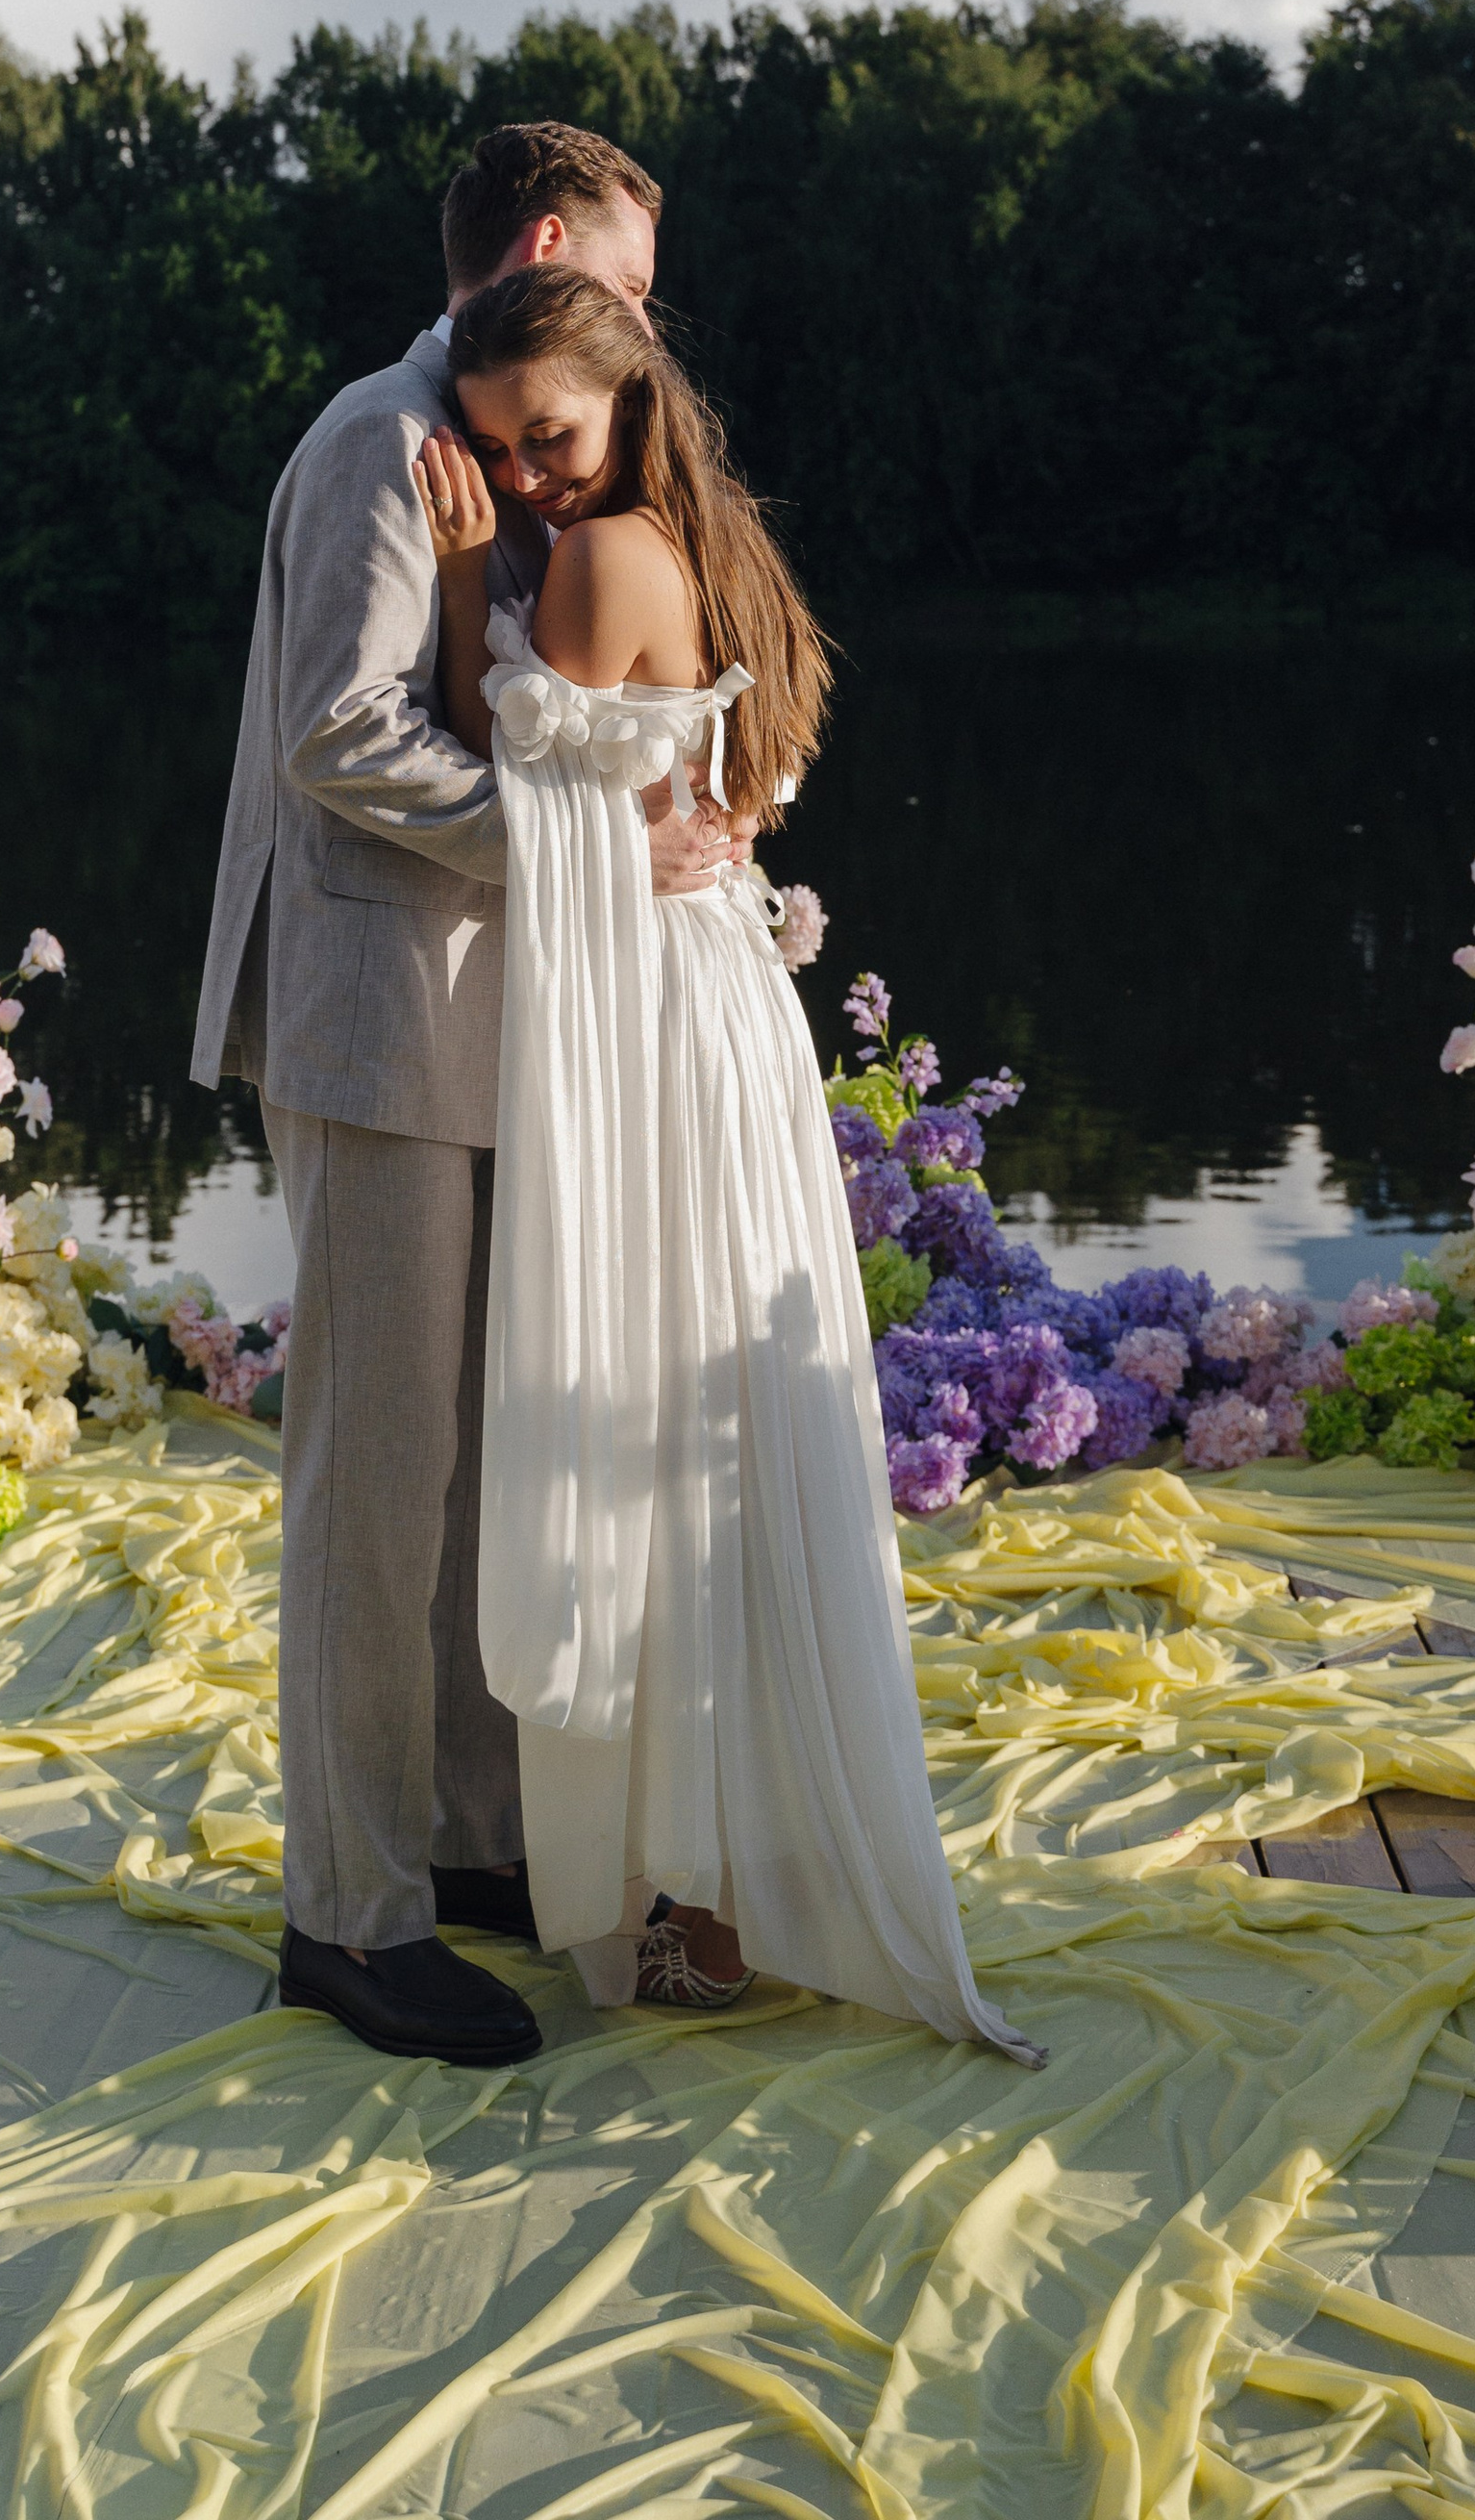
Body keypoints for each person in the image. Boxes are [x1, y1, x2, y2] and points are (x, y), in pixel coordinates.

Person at [415, 264, 1043, 2059]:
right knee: (693, 1423)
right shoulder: (682, 538)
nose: (523, 472)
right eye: (494, 451)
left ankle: (698, 1890)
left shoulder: (606, 558)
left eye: (546, 437)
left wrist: (469, 575)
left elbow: (487, 765)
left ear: (623, 401)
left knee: (674, 1424)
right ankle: (702, 1876)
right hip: (689, 1001)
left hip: (670, 1036)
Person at [190, 123, 735, 2067]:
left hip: (484, 1018)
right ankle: (343, 1917)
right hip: (371, 1020)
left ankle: (464, 1840)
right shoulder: (374, 437)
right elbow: (337, 736)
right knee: (373, 1474)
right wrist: (588, 851)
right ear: (540, 240)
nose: (639, 328)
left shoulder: (501, 452)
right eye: (628, 279)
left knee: (474, 1460)